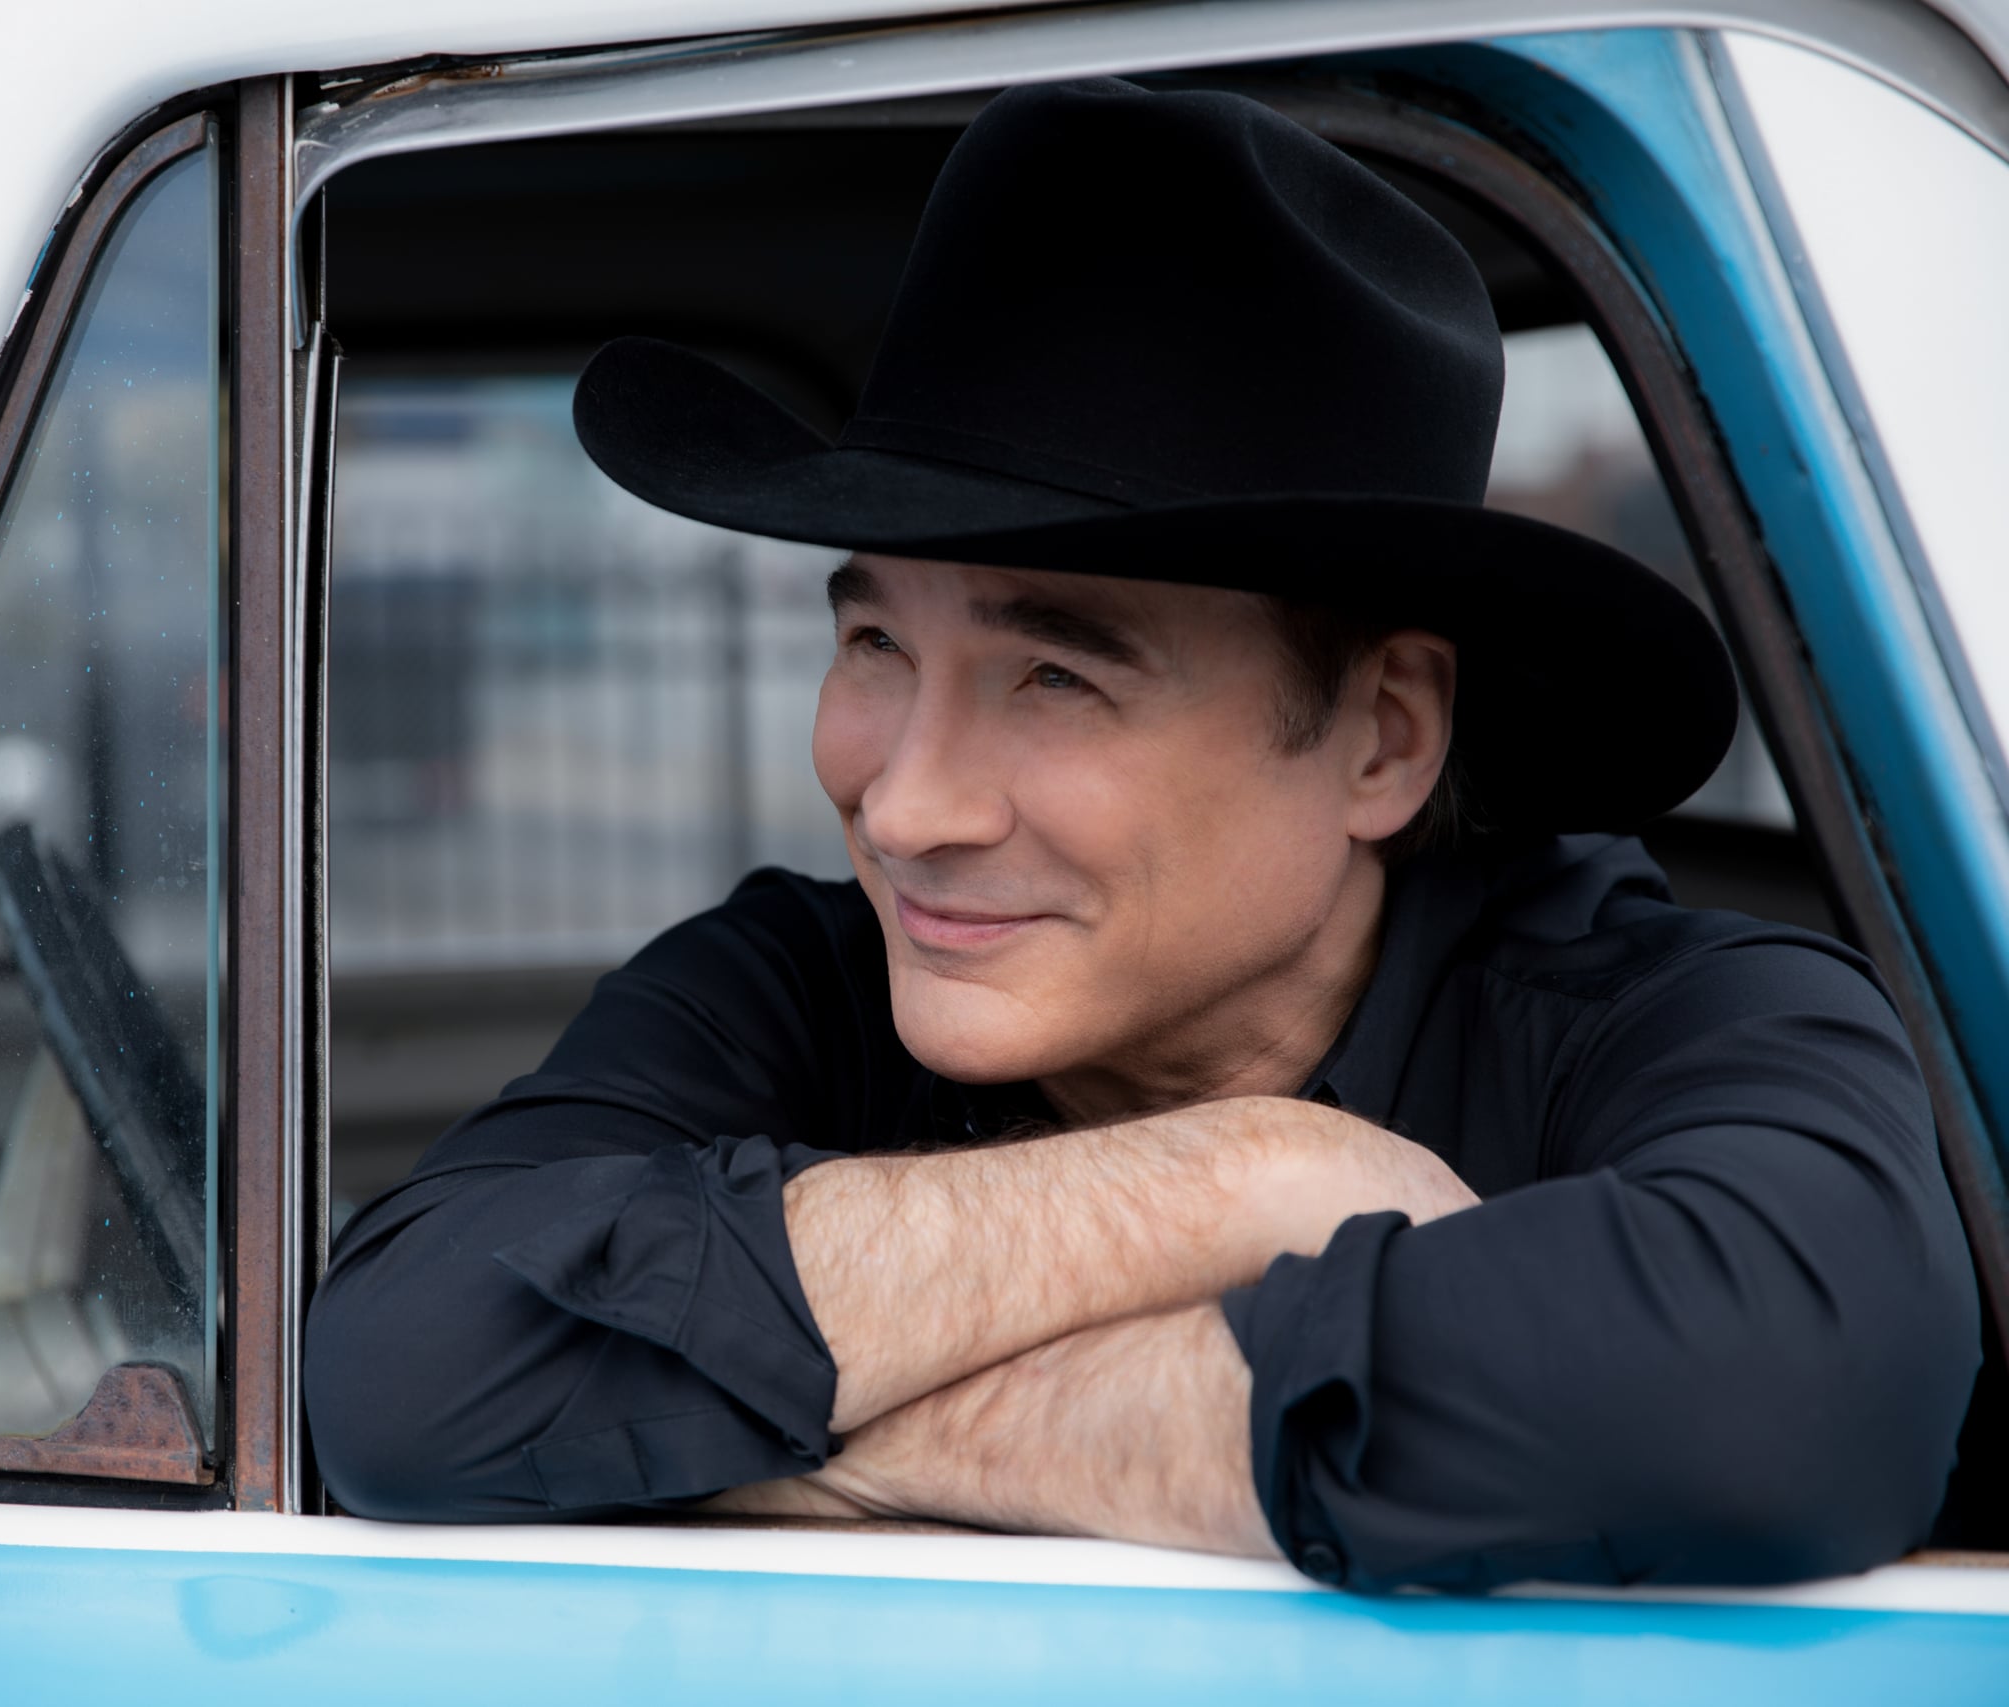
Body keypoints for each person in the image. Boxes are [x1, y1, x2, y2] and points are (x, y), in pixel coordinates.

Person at [301, 79, 1979, 1592]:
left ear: (1384, 737)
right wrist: (1245, 1181)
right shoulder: (792, 985)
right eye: (874, 641)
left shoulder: (1670, 1021)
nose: (906, 807)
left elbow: (1787, 1400)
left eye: (1056, 676)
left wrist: (869, 1442)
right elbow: (403, 1368)